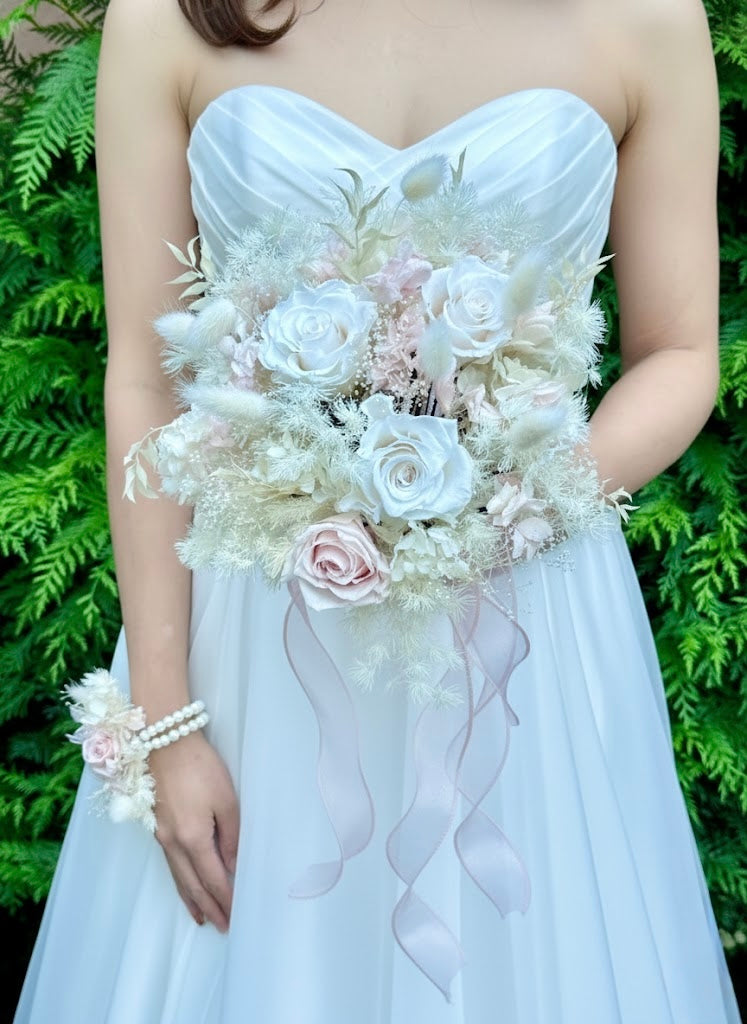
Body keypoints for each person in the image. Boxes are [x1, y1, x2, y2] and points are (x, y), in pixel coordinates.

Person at [13, 0, 743, 1021]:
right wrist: (168, 724)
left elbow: (680, 352)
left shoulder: (646, 15)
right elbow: (146, 380)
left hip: (527, 619)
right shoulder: (165, 18)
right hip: (257, 634)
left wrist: (500, 504)